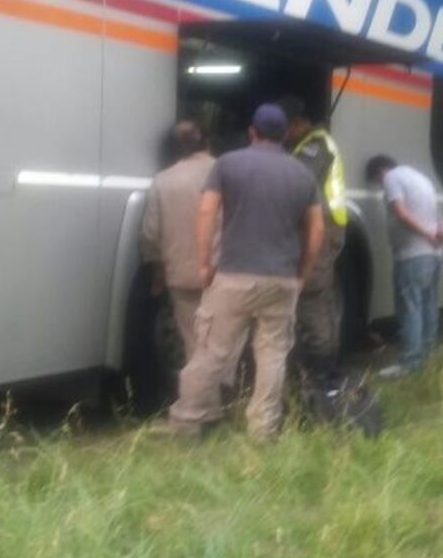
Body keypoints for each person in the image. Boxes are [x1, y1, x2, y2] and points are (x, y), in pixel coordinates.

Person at [164, 104, 324, 440]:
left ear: (252, 132)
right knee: (272, 355)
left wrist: (204, 263)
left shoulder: (227, 164)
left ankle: (188, 420)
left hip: (234, 276)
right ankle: (263, 429)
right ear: (285, 135)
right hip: (281, 280)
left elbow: (207, 213)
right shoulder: (303, 174)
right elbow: (316, 230)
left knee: (211, 351)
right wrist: (301, 274)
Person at [278, 96, 347, 388]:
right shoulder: (306, 145)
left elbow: (295, 179)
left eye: (285, 128)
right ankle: (325, 368)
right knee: (320, 300)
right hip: (319, 227)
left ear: (297, 124)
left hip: (322, 229)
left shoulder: (315, 147)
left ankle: (323, 374)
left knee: (312, 297)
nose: (283, 135)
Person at [140, 121, 216, 360]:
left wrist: (158, 272)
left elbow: (150, 233)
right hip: (223, 275)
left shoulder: (162, 180)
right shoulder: (227, 172)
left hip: (182, 276)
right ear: (206, 142)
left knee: (195, 344)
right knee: (224, 343)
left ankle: (201, 383)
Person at [365, 155, 443, 377]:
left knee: (410, 308)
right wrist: (437, 235)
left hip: (412, 256)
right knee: (429, 304)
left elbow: (400, 212)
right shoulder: (422, 179)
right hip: (433, 255)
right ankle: (429, 356)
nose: (381, 186)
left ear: (380, 172)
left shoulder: (391, 177)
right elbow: (442, 220)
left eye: (377, 182)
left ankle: (410, 362)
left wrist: (426, 233)